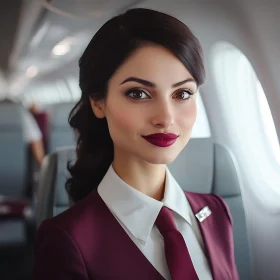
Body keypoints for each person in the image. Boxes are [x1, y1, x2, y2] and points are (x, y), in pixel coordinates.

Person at [33, 8, 239, 280]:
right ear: (98, 101)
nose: (165, 118)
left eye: (182, 93)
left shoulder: (215, 212)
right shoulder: (66, 241)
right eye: (139, 93)